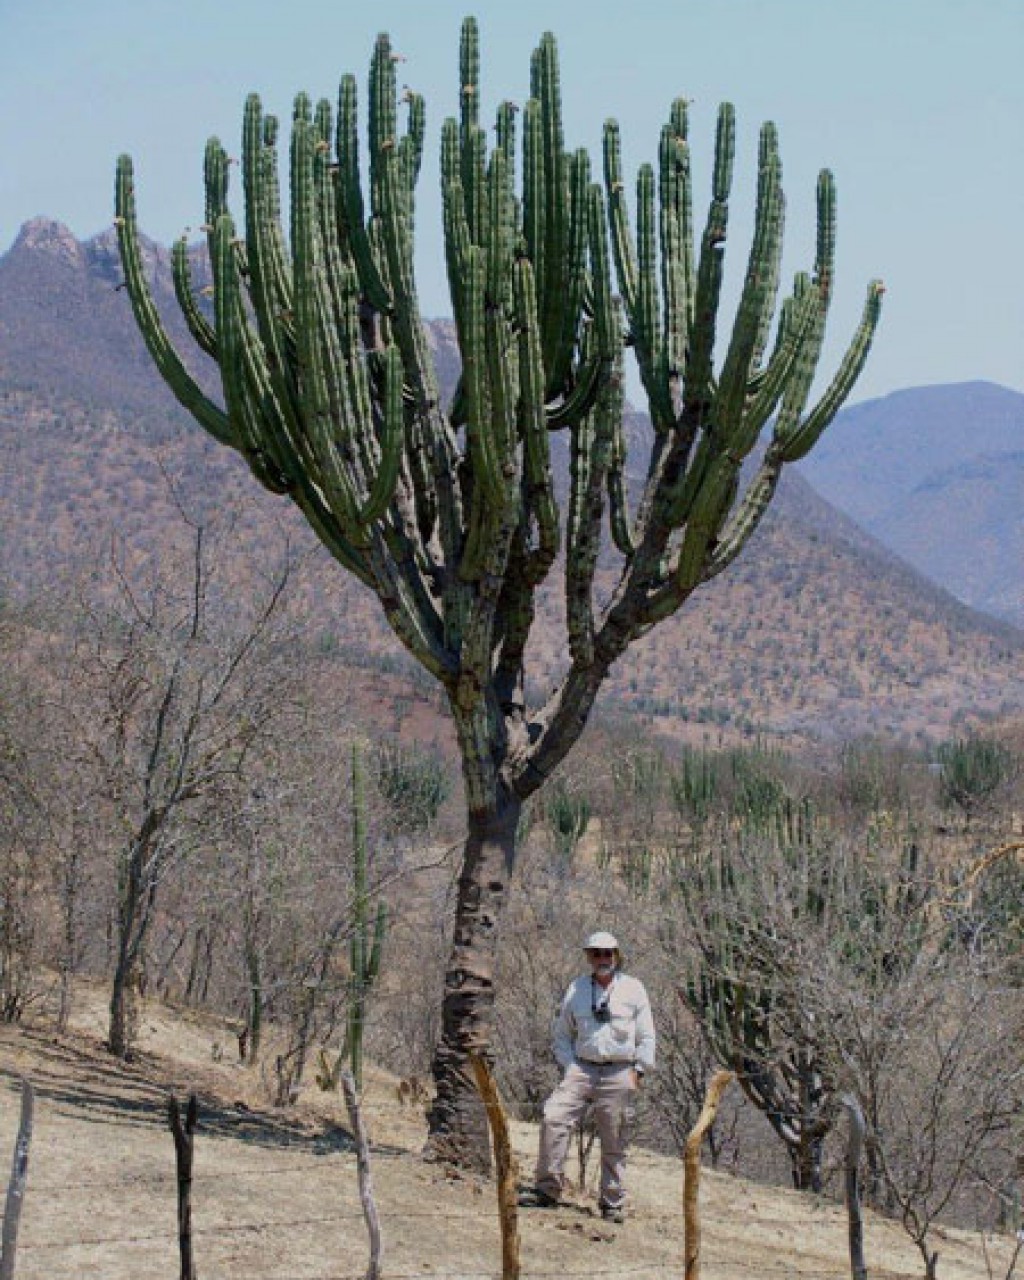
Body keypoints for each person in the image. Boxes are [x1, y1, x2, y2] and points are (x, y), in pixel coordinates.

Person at [520, 930, 656, 1223]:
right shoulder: (577, 989)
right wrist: (570, 1067)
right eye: (597, 953)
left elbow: (647, 1035)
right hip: (582, 1068)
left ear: (617, 956)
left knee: (614, 1136)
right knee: (554, 1117)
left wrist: (639, 1071)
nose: (603, 959)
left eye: (608, 953)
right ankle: (547, 1189)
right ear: (588, 957)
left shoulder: (634, 989)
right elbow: (562, 1035)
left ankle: (612, 1202)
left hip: (619, 1071)